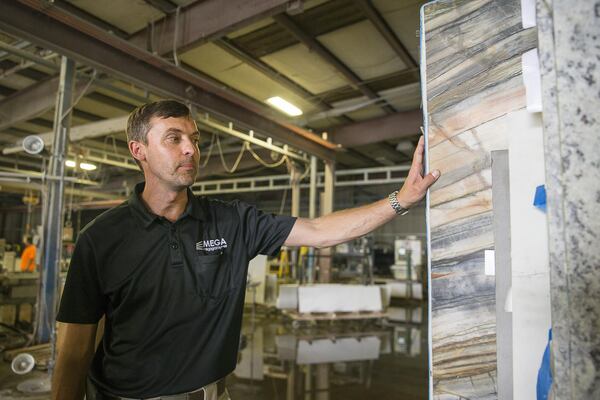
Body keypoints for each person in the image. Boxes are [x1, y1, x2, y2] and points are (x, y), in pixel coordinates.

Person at [52, 100, 440, 400]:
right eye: (174, 138)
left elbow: (320, 231)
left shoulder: (231, 222)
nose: (191, 149)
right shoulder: (101, 238)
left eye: (195, 139)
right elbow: (75, 348)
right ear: (139, 150)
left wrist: (401, 200)